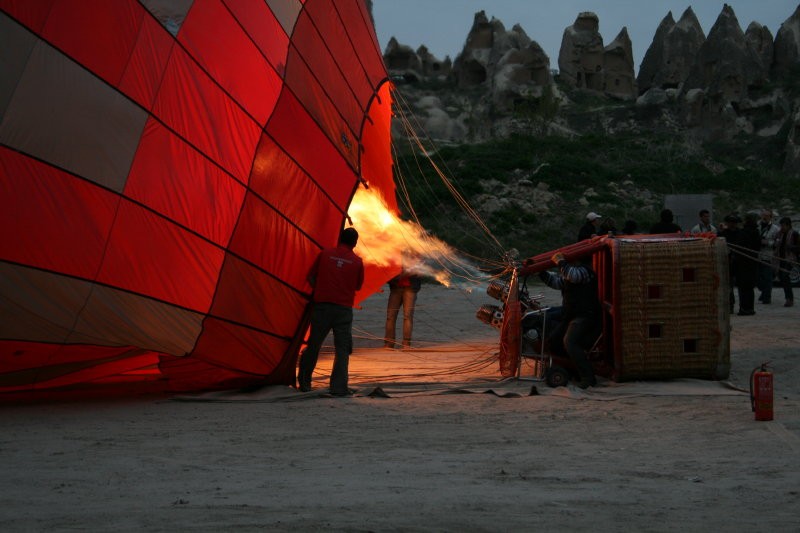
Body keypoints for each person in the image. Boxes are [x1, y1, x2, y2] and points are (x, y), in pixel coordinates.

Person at [297, 227, 364, 395]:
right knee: (342, 349)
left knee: (314, 344)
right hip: (343, 310)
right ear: (355, 243)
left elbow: (310, 277)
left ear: (339, 238)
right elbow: (358, 286)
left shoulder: (325, 254)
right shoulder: (357, 262)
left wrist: (319, 290)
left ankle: (304, 383)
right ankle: (339, 387)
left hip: (322, 307)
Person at [538, 252, 602, 389]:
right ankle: (570, 370)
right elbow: (556, 282)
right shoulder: (573, 273)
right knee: (553, 340)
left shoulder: (584, 272)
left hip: (585, 316)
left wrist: (560, 261)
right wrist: (540, 272)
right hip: (572, 315)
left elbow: (572, 275)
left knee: (570, 341)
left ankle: (588, 377)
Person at [384, 269, 422, 349]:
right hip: (396, 288)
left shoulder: (417, 257)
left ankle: (406, 343)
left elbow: (420, 272)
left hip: (410, 288)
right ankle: (389, 343)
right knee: (390, 316)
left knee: (407, 316)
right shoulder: (394, 258)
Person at [733, 213, 761, 315]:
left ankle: (744, 308)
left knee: (743, 287)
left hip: (743, 263)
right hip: (753, 262)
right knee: (750, 287)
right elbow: (758, 247)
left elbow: (738, 247)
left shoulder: (743, 232)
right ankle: (750, 308)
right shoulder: (756, 232)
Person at [719, 214, 742, 313]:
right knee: (729, 287)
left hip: (739, 262)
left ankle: (742, 306)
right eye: (730, 222)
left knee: (740, 287)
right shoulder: (723, 234)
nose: (732, 224)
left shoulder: (741, 233)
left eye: (734, 223)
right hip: (727, 263)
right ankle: (730, 305)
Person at [756, 209, 779, 304]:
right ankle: (764, 292)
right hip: (758, 255)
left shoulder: (775, 229)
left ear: (771, 217)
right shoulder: (758, 226)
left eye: (767, 216)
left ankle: (767, 297)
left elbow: (777, 242)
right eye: (763, 215)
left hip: (768, 255)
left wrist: (768, 243)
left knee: (767, 277)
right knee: (758, 278)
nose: (764, 218)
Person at [776, 216, 798, 307]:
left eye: (783, 225)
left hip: (790, 259)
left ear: (788, 225)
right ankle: (788, 297)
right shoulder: (780, 234)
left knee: (785, 277)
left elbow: (798, 247)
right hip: (780, 258)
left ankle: (789, 299)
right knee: (783, 278)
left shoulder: (794, 234)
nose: (782, 227)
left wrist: (791, 247)